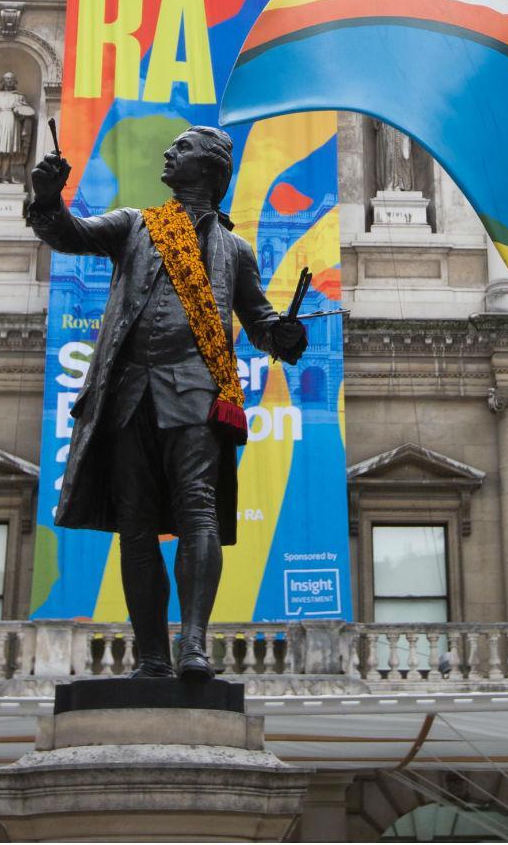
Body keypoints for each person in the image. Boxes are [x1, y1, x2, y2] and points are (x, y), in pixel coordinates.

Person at [27, 126, 306, 679]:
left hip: (199, 393)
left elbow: (261, 322)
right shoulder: (136, 224)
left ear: (206, 168)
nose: (168, 153)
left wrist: (286, 336)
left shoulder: (235, 250)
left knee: (197, 507)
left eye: (181, 149)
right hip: (130, 392)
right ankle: (152, 655)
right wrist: (47, 197)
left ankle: (195, 646)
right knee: (135, 524)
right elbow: (70, 234)